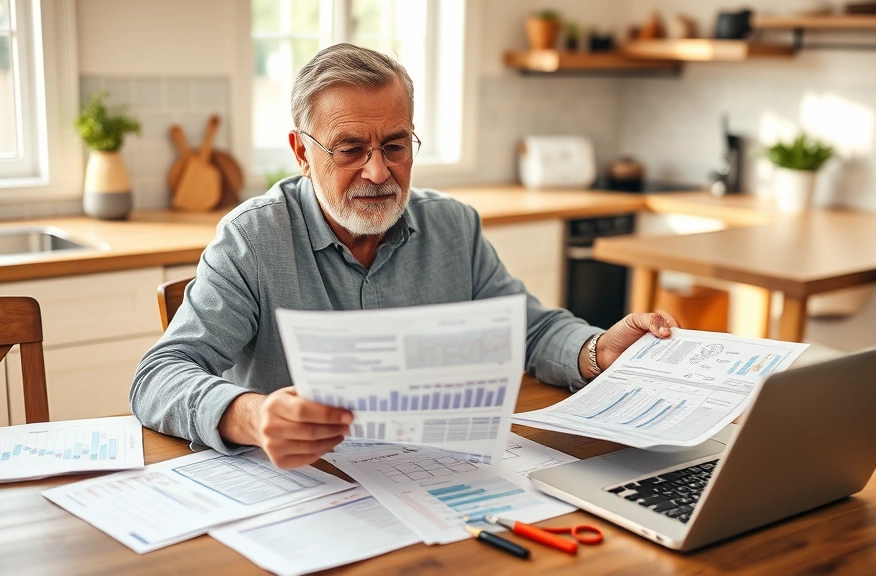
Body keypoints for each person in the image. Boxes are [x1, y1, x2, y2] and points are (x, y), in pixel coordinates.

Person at [130, 43, 678, 469]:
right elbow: (158, 375)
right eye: (349, 150)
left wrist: (598, 350)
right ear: (301, 152)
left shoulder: (453, 226)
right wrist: (250, 414)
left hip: (435, 477)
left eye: (394, 145)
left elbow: (528, 332)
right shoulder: (254, 239)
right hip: (307, 486)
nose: (377, 171)